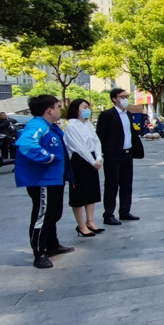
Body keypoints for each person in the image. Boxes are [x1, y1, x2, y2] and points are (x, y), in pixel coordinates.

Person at [14, 95, 75, 269]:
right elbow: (26, 143)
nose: (59, 110)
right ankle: (39, 252)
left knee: (53, 213)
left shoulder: (50, 127)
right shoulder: (37, 125)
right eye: (57, 107)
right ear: (49, 110)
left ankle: (52, 244)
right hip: (43, 180)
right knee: (43, 215)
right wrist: (47, 157)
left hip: (54, 178)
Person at [96, 88, 144, 225]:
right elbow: (100, 136)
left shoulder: (128, 114)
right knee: (111, 185)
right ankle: (108, 214)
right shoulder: (107, 115)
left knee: (126, 184)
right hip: (113, 155)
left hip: (127, 153)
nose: (125, 99)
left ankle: (124, 211)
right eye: (122, 97)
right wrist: (106, 151)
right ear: (114, 99)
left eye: (126, 96)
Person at [63, 99, 104, 237]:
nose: (87, 109)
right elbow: (79, 147)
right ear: (76, 109)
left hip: (92, 159)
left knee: (91, 191)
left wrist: (98, 158)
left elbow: (96, 141)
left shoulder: (88, 125)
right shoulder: (71, 126)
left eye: (88, 107)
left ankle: (90, 221)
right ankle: (81, 225)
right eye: (84, 107)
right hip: (79, 161)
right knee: (79, 193)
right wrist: (93, 161)